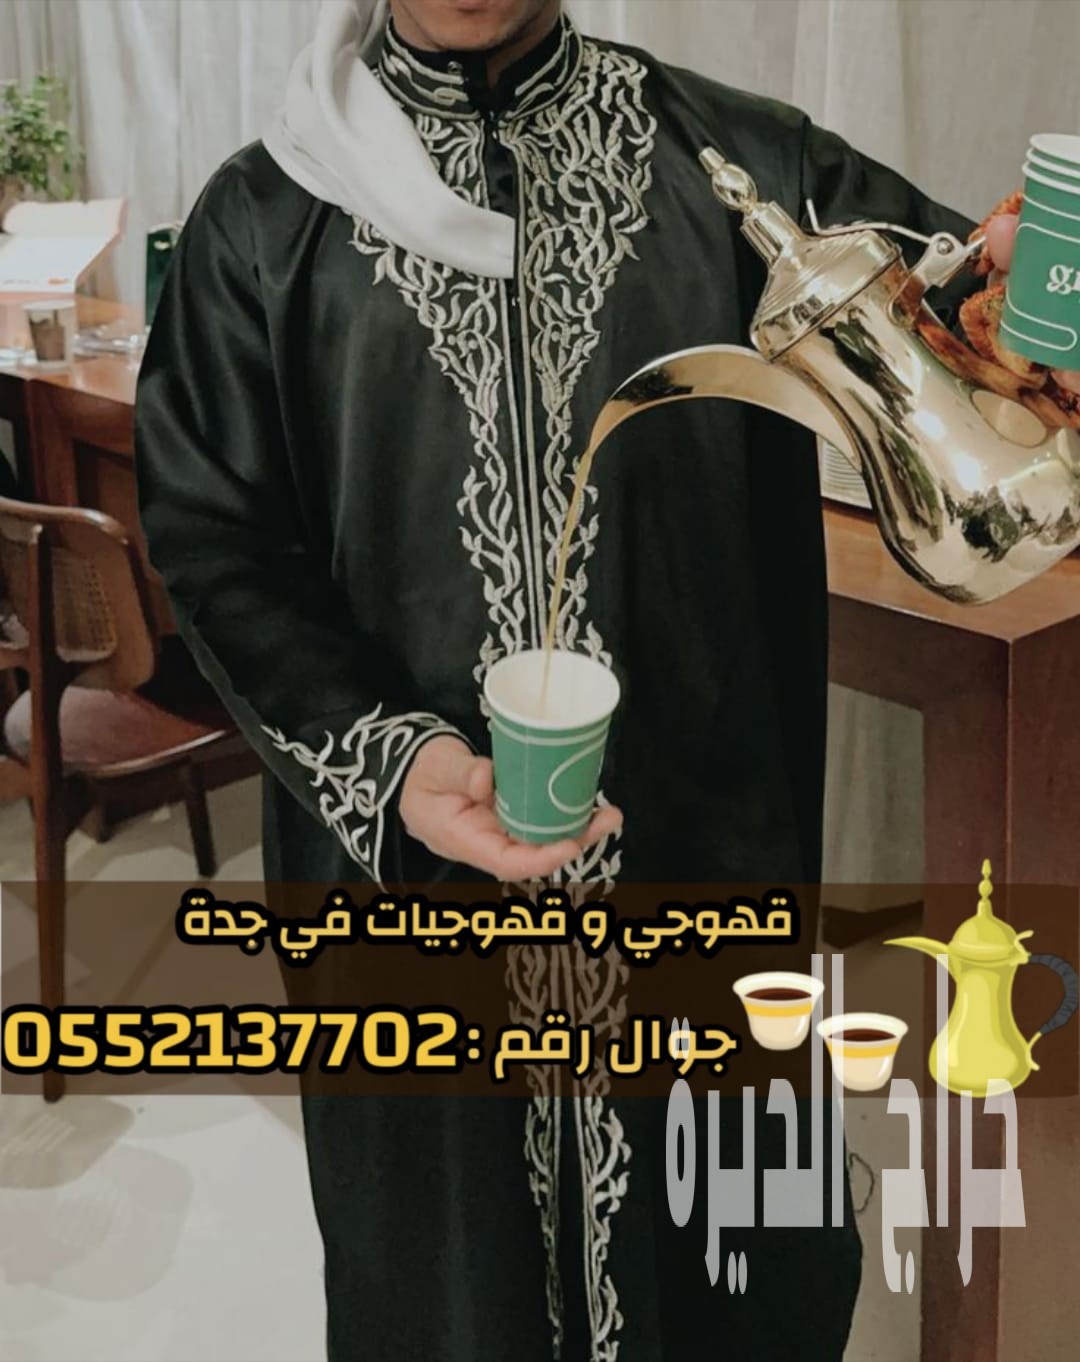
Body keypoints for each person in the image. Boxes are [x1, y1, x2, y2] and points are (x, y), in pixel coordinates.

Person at [134, 1, 1079, 1358]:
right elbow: (215, 538)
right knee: (448, 1297)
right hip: (412, 908)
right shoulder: (264, 220)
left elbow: (974, 321)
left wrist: (1034, 311)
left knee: (735, 1278)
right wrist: (394, 762)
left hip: (701, 862)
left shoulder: (739, 165)